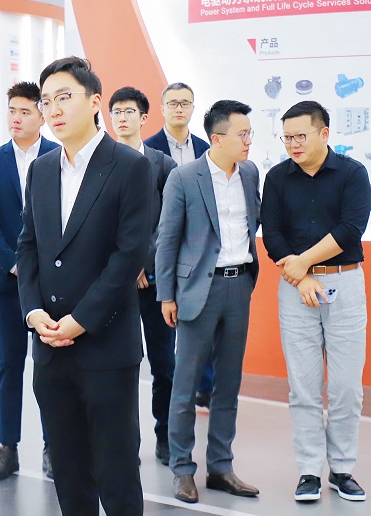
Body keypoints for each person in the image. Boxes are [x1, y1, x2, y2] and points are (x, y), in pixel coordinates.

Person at [18, 57, 152, 515]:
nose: (53, 109)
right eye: (46, 101)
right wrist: (33, 311)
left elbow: (128, 257)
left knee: (116, 471)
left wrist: (81, 320)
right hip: (49, 345)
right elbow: (28, 246)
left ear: (95, 102)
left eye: (64, 97)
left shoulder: (130, 167)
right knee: (68, 471)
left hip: (106, 345)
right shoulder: (40, 170)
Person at [260, 100, 371, 503]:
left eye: (300, 136)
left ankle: (342, 469)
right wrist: (302, 276)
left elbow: (351, 228)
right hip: (296, 288)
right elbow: (272, 233)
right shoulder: (277, 178)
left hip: (344, 282)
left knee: (346, 388)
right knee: (303, 387)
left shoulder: (352, 173)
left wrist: (304, 262)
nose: (293, 144)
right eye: (287, 137)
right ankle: (309, 470)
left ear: (324, 133)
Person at [156, 100, 261, 504]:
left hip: (239, 286)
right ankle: (182, 469)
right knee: (185, 386)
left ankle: (221, 466)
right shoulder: (184, 177)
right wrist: (167, 294)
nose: (249, 141)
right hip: (198, 290)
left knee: (228, 384)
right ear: (217, 139)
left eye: (249, 133)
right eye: (242, 134)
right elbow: (167, 240)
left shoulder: (249, 173)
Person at [0, 82, 58, 482]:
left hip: (52, 282)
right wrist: (11, 263)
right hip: (7, 281)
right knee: (9, 364)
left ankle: (54, 446)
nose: (16, 118)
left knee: (50, 368)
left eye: (25, 111)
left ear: (42, 116)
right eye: (12, 110)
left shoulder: (58, 156)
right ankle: (7, 447)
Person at [108, 86, 177, 464]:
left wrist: (142, 261)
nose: (122, 117)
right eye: (116, 111)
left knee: (164, 365)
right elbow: (99, 225)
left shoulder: (162, 165)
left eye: (129, 111)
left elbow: (170, 223)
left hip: (154, 283)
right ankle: (124, 442)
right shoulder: (101, 162)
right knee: (120, 366)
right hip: (114, 285)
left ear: (144, 117)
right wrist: (125, 264)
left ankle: (164, 435)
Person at [143, 81, 215, 407]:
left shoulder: (206, 148)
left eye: (185, 103)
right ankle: (174, 395)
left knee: (203, 319)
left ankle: (205, 386)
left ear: (193, 108)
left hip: (200, 247)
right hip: (163, 247)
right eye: (172, 103)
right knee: (167, 323)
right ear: (162, 109)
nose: (179, 108)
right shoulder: (148, 150)